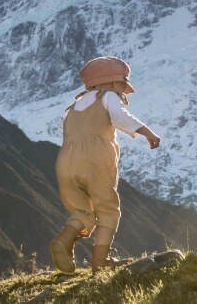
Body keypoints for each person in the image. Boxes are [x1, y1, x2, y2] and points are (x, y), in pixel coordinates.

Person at [50, 56, 161, 274]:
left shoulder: (74, 106)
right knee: (108, 210)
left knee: (83, 210)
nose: (123, 92)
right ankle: (100, 262)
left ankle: (63, 240)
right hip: (94, 160)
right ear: (110, 82)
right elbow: (121, 117)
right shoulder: (108, 97)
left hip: (66, 162)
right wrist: (148, 133)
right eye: (122, 85)